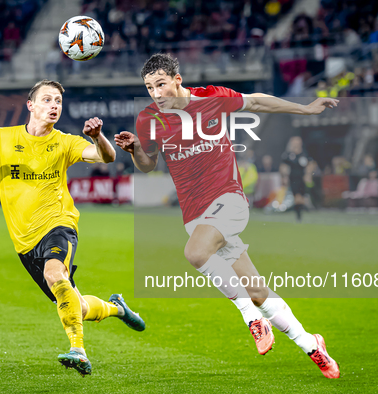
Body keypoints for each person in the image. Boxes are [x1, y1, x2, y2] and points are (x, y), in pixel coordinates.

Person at [115, 53, 340, 379]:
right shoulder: (148, 119)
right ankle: (311, 344)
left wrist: (304, 107)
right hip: (194, 213)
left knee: (194, 252)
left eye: (161, 84)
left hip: (228, 199)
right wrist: (135, 149)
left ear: (177, 80)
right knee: (259, 292)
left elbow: (259, 103)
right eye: (149, 87)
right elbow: (148, 164)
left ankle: (250, 318)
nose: (156, 92)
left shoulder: (211, 98)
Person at [0, 80, 145, 376]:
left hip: (58, 224)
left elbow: (107, 156)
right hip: (24, 242)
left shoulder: (65, 142)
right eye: (47, 100)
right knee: (75, 306)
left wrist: (98, 137)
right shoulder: (2, 138)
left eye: (58, 101)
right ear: (31, 105)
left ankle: (78, 349)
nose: (54, 105)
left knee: (55, 274)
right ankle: (117, 307)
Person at [282, 136, 313, 222]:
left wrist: (308, 174)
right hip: (293, 178)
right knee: (297, 196)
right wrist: (284, 177)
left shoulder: (304, 153)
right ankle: (299, 216)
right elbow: (284, 166)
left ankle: (302, 211)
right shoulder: (288, 154)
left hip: (302, 178)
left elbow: (310, 164)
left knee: (302, 197)